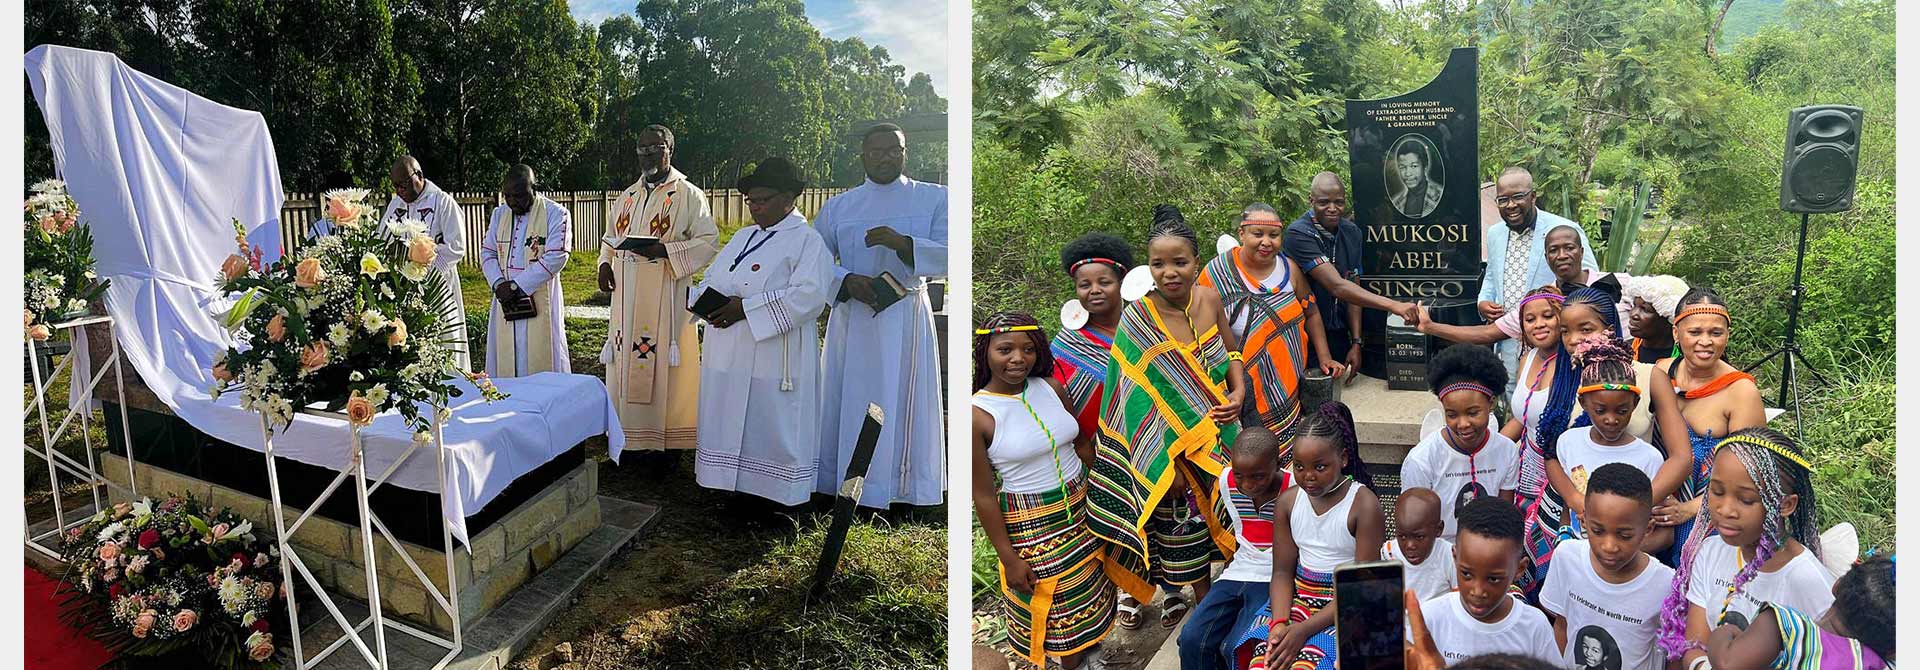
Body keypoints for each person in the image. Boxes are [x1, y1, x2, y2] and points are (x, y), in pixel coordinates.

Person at [1087, 204, 1247, 631]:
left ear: (1197, 262)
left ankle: (1239, 597)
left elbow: (1232, 351)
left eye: (1180, 262)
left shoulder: (1211, 298)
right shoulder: (1137, 318)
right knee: (1186, 533)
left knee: (1239, 519)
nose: (1169, 272)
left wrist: (1239, 389)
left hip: (1222, 433)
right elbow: (1132, 399)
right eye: (1158, 263)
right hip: (1170, 456)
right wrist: (1167, 462)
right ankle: (1206, 612)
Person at [972, 312, 1115, 670]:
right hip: (1033, 523)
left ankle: (1091, 653)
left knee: (1091, 585)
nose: (1018, 359)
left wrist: (1111, 495)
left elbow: (1081, 444)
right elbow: (984, 496)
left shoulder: (1051, 387)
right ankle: (1074, 664)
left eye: (1028, 349)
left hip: (1083, 502)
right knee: (1058, 604)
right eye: (1005, 349)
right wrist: (1008, 558)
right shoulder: (978, 414)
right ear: (985, 352)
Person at [816, 123, 948, 509]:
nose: (885, 156)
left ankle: (902, 486)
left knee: (900, 397)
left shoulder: (934, 198)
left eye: (894, 149)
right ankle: (839, 484)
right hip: (853, 318)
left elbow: (952, 251)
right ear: (863, 156)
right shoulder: (839, 206)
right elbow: (814, 260)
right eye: (876, 151)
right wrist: (845, 279)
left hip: (904, 314)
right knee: (850, 396)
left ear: (905, 152)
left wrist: (903, 244)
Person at [689, 157, 831, 506]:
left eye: (763, 200)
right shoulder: (742, 236)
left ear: (789, 198)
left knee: (769, 421)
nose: (754, 207)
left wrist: (746, 309)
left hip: (773, 353)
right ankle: (728, 487)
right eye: (751, 200)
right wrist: (702, 301)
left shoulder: (807, 241)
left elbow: (809, 297)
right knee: (728, 413)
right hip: (728, 348)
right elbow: (713, 277)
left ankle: (773, 497)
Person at [1657, 428, 1831, 670]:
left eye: (1746, 499)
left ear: (1786, 505)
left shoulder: (1809, 581)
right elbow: (1694, 644)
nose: (1725, 510)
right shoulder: (1710, 551)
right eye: (1716, 492)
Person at [600, 125, 719, 451]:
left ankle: (662, 440)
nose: (648, 152)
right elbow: (610, 237)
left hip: (665, 291)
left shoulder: (688, 194)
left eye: (656, 146)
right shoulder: (628, 195)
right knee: (626, 358)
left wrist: (664, 251)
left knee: (664, 364)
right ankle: (626, 433)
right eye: (642, 147)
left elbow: (709, 242)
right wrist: (603, 265)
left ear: (670, 149)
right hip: (625, 294)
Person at [1200, 202, 1337, 463]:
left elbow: (1312, 313)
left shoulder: (1290, 270)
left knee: (1288, 458)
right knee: (1253, 461)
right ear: (1242, 234)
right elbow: (1202, 332)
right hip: (1241, 386)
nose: (1266, 242)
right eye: (1258, 234)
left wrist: (1324, 357)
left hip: (1289, 384)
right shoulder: (1216, 274)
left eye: (1273, 235)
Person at [1258, 402, 1385, 670]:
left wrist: (1302, 631)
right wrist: (1280, 623)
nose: (1308, 477)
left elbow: (1362, 588)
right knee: (1266, 660)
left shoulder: (1363, 505)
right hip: (1297, 599)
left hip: (1348, 605)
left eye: (1320, 466)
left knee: (1310, 665)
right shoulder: (1288, 503)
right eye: (1299, 466)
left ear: (1343, 459)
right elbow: (1282, 573)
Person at [1647, 288, 1766, 565]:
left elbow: (1750, 476)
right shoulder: (1661, 372)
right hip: (1655, 508)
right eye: (1695, 332)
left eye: (1716, 333)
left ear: (1727, 334)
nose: (1706, 342)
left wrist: (1688, 510)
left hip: (1706, 518)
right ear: (1676, 333)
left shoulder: (1740, 392)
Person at [1281, 173, 1422, 378]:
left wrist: (1356, 342)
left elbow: (1353, 284)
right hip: (1305, 336)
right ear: (1311, 200)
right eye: (1323, 202)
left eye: (1338, 202)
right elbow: (1337, 286)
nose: (1332, 208)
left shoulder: (1352, 232)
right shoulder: (1298, 234)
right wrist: (1394, 305)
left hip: (1340, 335)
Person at [1539, 464, 1675, 670]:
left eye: (1624, 535)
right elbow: (1562, 626)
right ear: (1583, 522)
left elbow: (1673, 654)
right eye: (1598, 531)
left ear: (1648, 529)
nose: (1609, 546)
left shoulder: (1666, 583)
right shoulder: (1567, 557)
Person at [1177, 426, 1289, 670]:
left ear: (1277, 464)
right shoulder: (1227, 481)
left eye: (1258, 476)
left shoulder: (1295, 489)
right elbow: (1241, 532)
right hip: (1240, 570)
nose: (1247, 485)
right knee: (1191, 638)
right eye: (1240, 475)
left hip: (1277, 574)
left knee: (1237, 645)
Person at [1479, 168, 1599, 388]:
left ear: (1533, 196)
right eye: (1503, 199)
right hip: (1509, 338)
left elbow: (1589, 281)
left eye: (1518, 197)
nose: (1511, 205)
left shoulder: (1563, 230)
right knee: (1513, 395)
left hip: (1552, 338)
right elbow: (1491, 276)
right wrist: (1483, 301)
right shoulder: (1495, 233)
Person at [1543, 338, 1668, 546]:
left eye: (1622, 411)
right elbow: (1555, 467)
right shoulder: (1569, 441)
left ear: (1635, 404)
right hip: (1574, 550)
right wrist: (1572, 502)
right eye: (1600, 411)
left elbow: (1656, 522)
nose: (1611, 419)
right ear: (1583, 403)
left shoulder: (1649, 457)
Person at [1421, 226, 1629, 347]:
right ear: (1547, 258)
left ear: (1581, 252)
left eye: (1569, 248)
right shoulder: (1540, 302)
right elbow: (1488, 333)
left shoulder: (1618, 284)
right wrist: (1430, 327)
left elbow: (1660, 295)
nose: (1562, 255)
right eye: (1554, 250)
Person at [1416, 497, 1561, 664]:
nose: (1478, 591)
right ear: (1455, 558)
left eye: (1493, 579)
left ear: (1519, 569)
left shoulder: (1534, 627)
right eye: (1467, 574)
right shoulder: (1430, 619)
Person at [1400, 344, 1518, 541]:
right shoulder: (1421, 460)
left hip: (1488, 547)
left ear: (1491, 404)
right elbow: (1413, 523)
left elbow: (1504, 515)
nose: (1463, 424)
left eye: (1473, 413)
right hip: (1437, 551)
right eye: (1452, 415)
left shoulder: (1506, 451)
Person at [1703, 555, 1894, 670]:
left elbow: (1726, 663)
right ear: (1893, 651)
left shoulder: (1789, 629)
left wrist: (1726, 631)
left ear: (1838, 584)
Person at [478, 164, 570, 377]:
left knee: (539, 357)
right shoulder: (499, 214)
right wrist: (498, 284)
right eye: (507, 196)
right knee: (505, 358)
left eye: (519, 196)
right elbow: (488, 252)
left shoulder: (556, 214)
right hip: (504, 297)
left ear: (534, 188)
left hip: (538, 294)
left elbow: (558, 255)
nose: (512, 202)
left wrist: (518, 286)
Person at [380, 155, 470, 371]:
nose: (400, 191)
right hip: (404, 290)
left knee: (445, 342)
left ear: (418, 175)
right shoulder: (395, 205)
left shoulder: (442, 202)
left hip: (437, 287)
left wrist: (423, 265)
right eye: (395, 186)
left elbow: (456, 247)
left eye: (403, 184)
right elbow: (382, 240)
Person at [1052, 232, 1133, 440]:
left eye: (1104, 282)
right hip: (1090, 452)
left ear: (1120, 284)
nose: (1094, 290)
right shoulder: (1067, 345)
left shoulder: (1141, 330)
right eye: (1085, 285)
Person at [1383, 487, 1455, 601]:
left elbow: (1458, 599)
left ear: (1438, 529)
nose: (1410, 545)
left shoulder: (1449, 556)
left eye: (1419, 537)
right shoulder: (1387, 554)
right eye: (1402, 537)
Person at [1620, 275, 1689, 365]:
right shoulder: (1622, 352)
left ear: (1669, 318)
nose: (1633, 314)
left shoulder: (1687, 359)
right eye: (1634, 305)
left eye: (1645, 309)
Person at [1389, 140, 1442, 218]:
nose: (1407, 173)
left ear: (1425, 166)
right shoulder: (1396, 202)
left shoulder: (1441, 196)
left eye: (1414, 166)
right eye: (1402, 167)